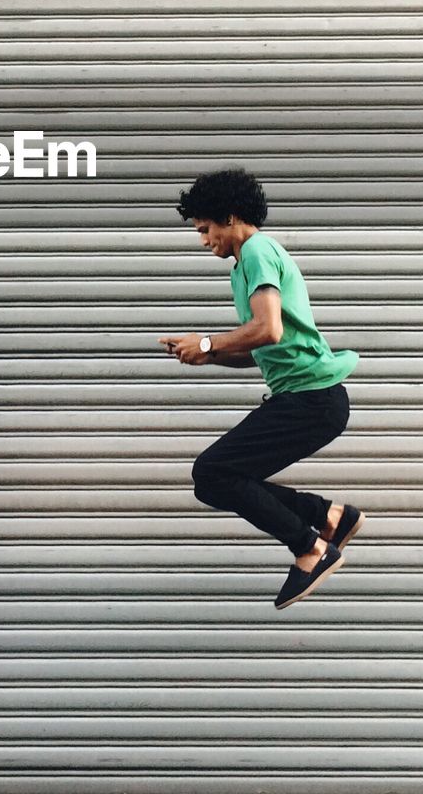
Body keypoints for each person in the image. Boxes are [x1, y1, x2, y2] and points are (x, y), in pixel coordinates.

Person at [159, 168, 363, 610]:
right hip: (309, 398)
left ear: (230, 217)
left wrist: (209, 342)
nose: (203, 241)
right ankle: (329, 517)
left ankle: (311, 547)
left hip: (312, 398)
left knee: (213, 472)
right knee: (213, 480)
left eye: (206, 229)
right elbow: (262, 348)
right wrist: (204, 354)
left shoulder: (256, 251)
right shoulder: (245, 266)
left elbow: (267, 329)